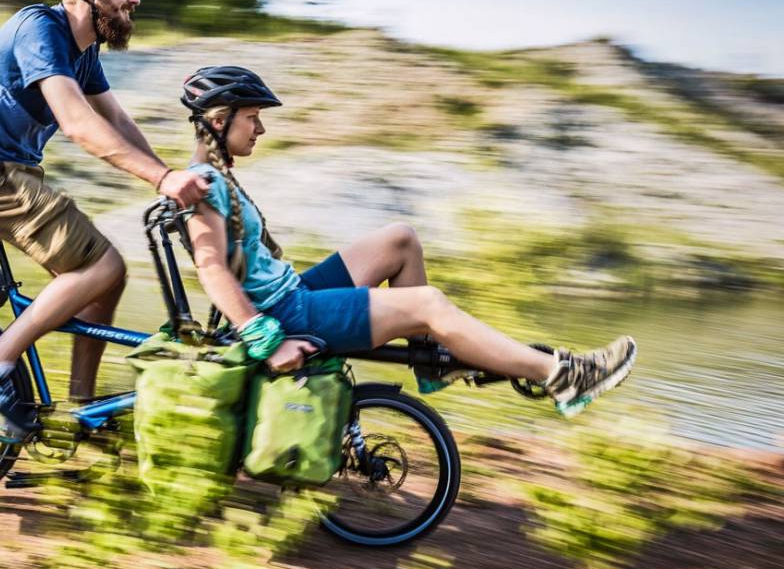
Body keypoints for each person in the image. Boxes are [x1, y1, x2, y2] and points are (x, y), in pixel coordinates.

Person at [178, 65, 636, 417]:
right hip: (285, 314)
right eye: (253, 118)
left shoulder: (215, 176)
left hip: (292, 293)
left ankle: (432, 360)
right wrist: (265, 340)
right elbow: (211, 267)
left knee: (400, 240)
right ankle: (564, 376)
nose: (260, 129)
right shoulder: (204, 182)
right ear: (220, 120)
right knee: (429, 303)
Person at [0, 0, 209, 433]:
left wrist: (167, 178)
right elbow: (80, 125)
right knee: (101, 264)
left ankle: (76, 413)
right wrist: (163, 178)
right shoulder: (39, 28)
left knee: (109, 279)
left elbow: (118, 121)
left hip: (7, 174)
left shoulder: (83, 53)